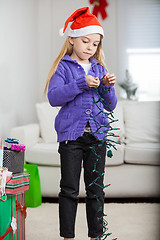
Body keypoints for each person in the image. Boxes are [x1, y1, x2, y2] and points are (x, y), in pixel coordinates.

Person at [44, 7, 117, 240]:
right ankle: (68, 236)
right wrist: (81, 83)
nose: (90, 47)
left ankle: (95, 235)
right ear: (72, 39)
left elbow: (110, 105)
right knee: (69, 190)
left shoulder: (99, 68)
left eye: (95, 44)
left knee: (95, 190)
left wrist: (107, 86)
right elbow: (54, 97)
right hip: (71, 139)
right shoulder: (64, 67)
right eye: (85, 41)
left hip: (97, 138)